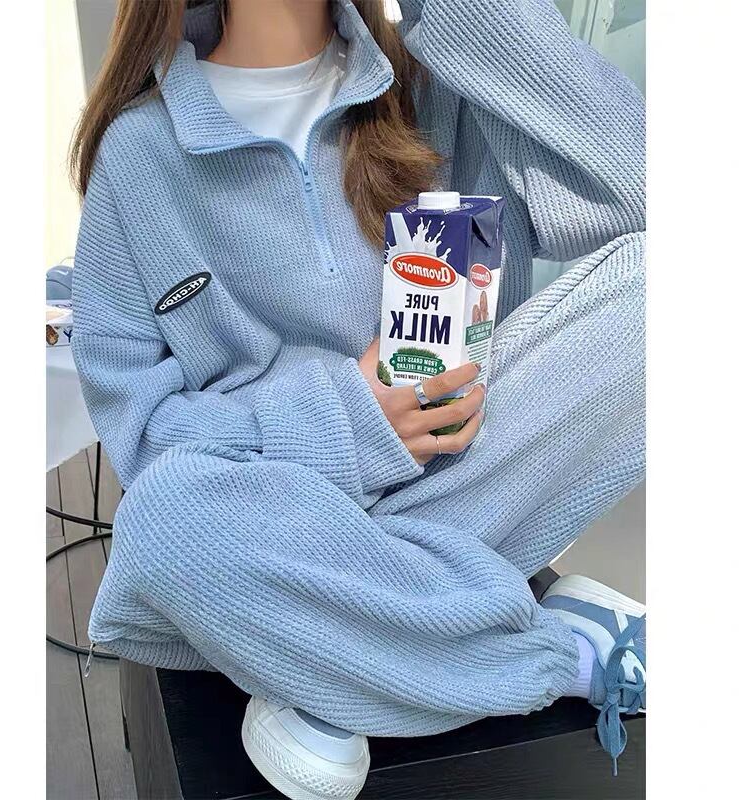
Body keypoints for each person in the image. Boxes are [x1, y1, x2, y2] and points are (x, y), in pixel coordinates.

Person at [70, 1, 646, 798]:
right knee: (165, 516)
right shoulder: (138, 154)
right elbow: (143, 435)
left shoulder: (442, 82)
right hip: (278, 517)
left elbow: (644, 196)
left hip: (457, 473)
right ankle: (559, 653)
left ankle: (328, 656)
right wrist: (349, 422)